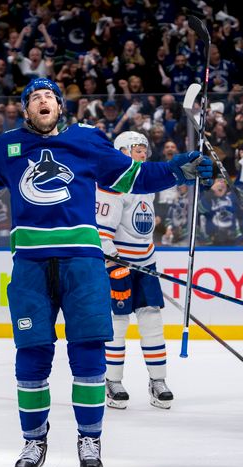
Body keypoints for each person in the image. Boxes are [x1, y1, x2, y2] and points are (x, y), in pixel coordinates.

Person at [0, 78, 212, 467]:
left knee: (89, 352)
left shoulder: (87, 141)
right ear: (26, 110)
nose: (42, 101)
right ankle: (33, 443)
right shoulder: (9, 146)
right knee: (32, 356)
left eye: (49, 97)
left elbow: (134, 178)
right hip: (31, 268)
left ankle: (90, 440)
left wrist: (177, 170)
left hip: (83, 263)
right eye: (34, 98)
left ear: (59, 107)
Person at [96, 131, 173, 410]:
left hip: (145, 264)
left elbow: (143, 231)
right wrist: (114, 264)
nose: (143, 153)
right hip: (119, 266)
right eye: (137, 149)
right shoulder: (112, 184)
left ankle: (158, 381)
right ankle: (113, 382)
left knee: (152, 321)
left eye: (144, 149)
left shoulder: (146, 186)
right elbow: (102, 234)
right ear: (122, 152)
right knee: (117, 324)